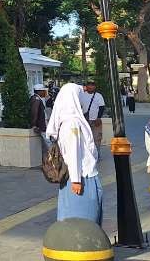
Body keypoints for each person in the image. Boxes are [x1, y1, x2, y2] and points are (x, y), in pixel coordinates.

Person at [47, 83, 102, 225]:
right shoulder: (72, 123)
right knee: (82, 218)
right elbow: (73, 152)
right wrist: (77, 181)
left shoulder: (71, 120)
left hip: (80, 175)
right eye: (79, 95)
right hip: (81, 177)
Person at [80, 81, 106, 147]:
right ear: (86, 86)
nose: (91, 86)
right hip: (85, 120)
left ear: (95, 87)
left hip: (95, 120)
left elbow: (102, 107)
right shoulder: (82, 95)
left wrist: (99, 117)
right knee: (85, 138)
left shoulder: (98, 96)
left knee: (96, 138)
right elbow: (79, 106)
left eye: (92, 85)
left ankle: (97, 154)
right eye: (89, 85)